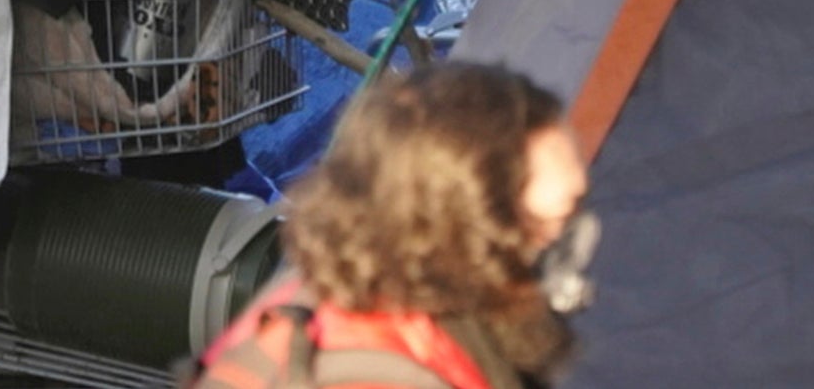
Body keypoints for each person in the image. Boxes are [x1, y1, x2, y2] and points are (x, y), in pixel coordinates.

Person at [192, 63, 594, 389]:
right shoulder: (370, 375)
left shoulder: (384, 281)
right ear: (469, 231)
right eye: (556, 220)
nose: (575, 241)